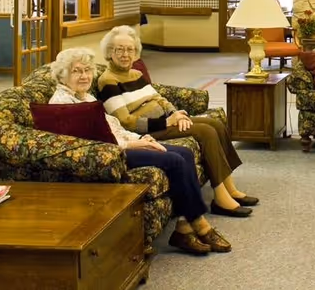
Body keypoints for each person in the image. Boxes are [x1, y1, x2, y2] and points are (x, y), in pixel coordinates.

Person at [48, 47, 231, 255]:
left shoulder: (86, 98)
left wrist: (141, 138)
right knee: (175, 161)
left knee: (185, 154)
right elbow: (91, 143)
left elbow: (114, 128)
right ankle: (200, 225)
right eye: (77, 71)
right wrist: (133, 145)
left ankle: (184, 227)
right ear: (62, 75)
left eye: (87, 70)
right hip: (111, 155)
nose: (84, 76)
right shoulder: (62, 104)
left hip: (124, 143)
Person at [95, 26, 257, 217]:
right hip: (147, 131)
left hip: (166, 120)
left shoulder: (136, 74)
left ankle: (230, 187)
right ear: (109, 53)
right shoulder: (108, 81)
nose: (125, 54)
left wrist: (176, 113)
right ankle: (220, 197)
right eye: (119, 49)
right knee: (205, 132)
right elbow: (126, 122)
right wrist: (167, 123)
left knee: (216, 124)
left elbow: (159, 99)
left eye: (129, 50)